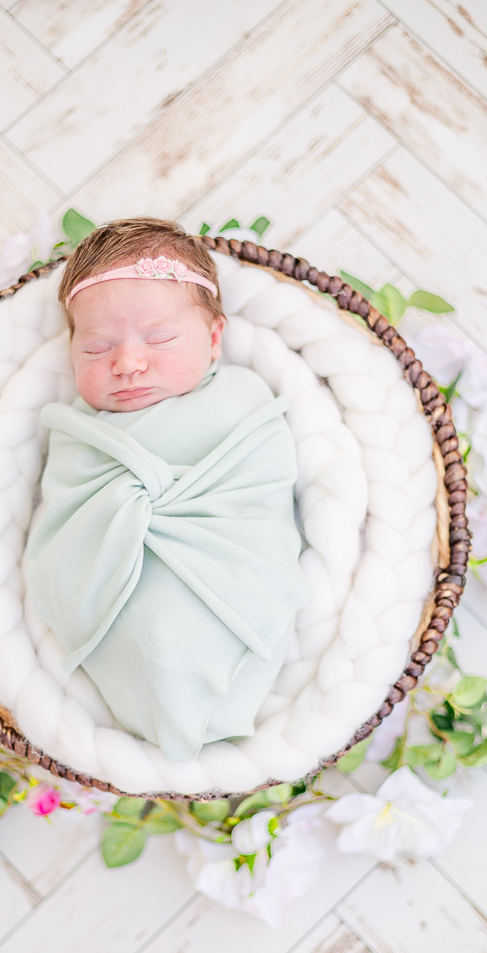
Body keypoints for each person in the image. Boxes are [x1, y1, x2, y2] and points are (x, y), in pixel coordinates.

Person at [25, 217, 308, 761]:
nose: (127, 363)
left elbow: (260, 496)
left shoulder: (240, 401)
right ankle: (156, 694)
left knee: (183, 636)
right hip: (119, 598)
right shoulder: (79, 434)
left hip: (229, 579)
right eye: (96, 348)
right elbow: (66, 524)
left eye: (160, 339)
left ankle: (203, 690)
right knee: (153, 638)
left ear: (214, 338)